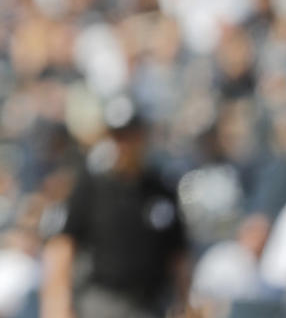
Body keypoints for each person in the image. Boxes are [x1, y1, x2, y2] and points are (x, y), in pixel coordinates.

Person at [39, 97, 190, 318]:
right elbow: (63, 246)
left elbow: (179, 256)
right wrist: (57, 305)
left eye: (130, 135)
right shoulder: (91, 187)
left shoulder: (160, 191)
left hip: (150, 305)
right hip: (101, 302)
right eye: (118, 136)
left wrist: (184, 303)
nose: (124, 144)